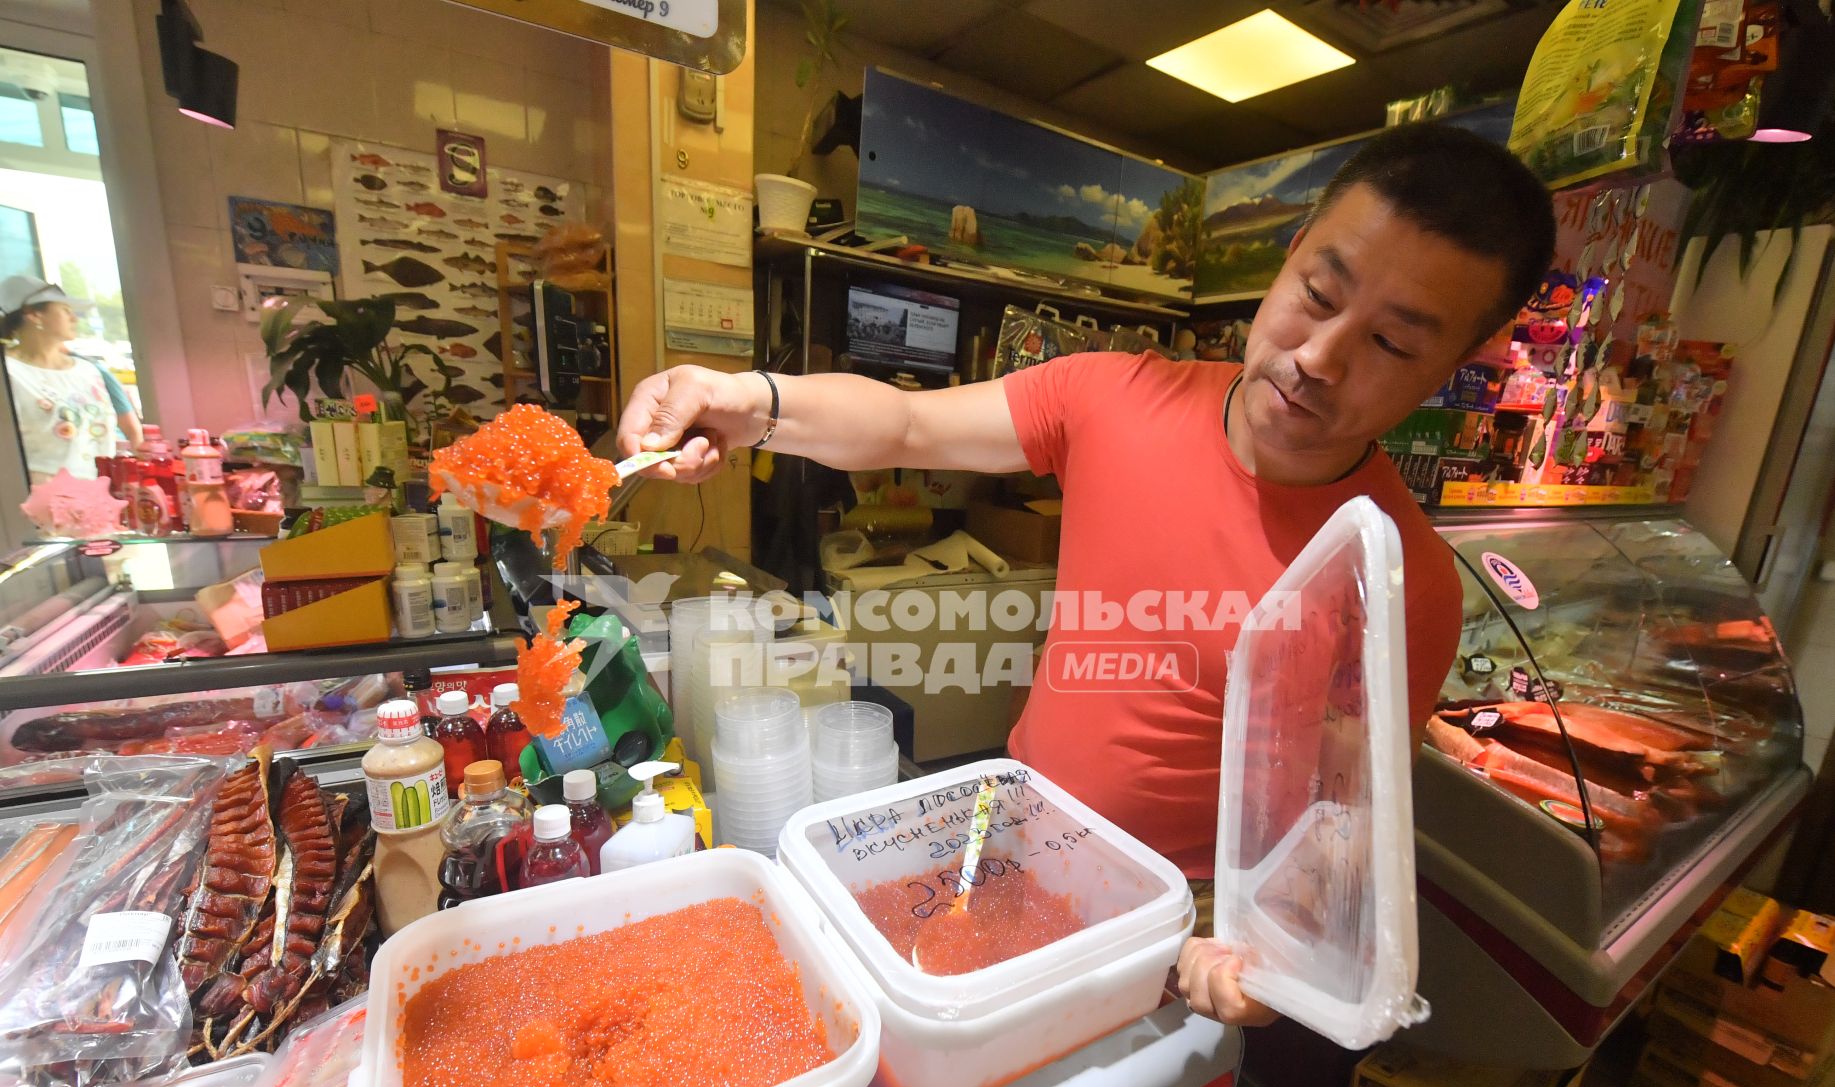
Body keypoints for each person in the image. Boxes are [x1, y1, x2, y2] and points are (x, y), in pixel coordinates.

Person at [615, 123, 1557, 1027]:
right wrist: (747, 400)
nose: (1318, 358)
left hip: (1178, 919)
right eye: (1317, 291)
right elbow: (905, 424)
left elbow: (1340, 824)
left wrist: (1267, 947)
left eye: (1391, 344)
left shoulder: (1398, 581)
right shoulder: (1116, 396)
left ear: (1450, 369)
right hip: (1016, 828)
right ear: (1294, 252)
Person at [1, 275, 142, 484]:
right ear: (34, 315)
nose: (74, 318)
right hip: (38, 500)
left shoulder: (88, 370)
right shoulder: (9, 373)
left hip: (102, 493)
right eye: (65, 310)